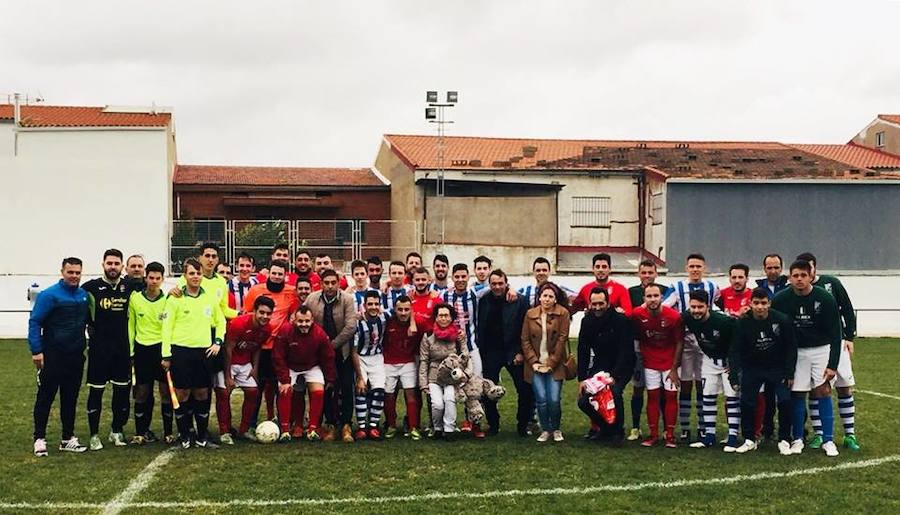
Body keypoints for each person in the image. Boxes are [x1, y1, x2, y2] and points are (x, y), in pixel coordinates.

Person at [772, 259, 842, 457]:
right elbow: (773, 326)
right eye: (796, 276)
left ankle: (828, 440)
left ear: (811, 276)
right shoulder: (781, 299)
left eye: (803, 275)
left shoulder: (825, 298)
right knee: (797, 393)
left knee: (823, 391)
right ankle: (798, 439)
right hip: (796, 353)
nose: (800, 279)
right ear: (790, 277)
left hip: (821, 350)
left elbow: (836, 334)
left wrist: (832, 364)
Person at [795, 252, 860, 451]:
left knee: (844, 385)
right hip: (815, 347)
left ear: (814, 268)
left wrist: (849, 336)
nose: (807, 272)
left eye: (810, 267)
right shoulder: (796, 290)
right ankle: (819, 434)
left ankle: (850, 434)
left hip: (837, 342)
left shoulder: (831, 284)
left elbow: (847, 309)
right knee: (818, 388)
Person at [161, 258, 226, 449]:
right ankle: (184, 436)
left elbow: (220, 322)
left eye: (198, 273)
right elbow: (166, 327)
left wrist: (218, 342)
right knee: (182, 394)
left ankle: (202, 436)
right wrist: (166, 355)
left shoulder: (209, 298)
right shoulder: (175, 298)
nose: (195, 276)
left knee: (202, 393)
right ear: (185, 276)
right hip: (180, 352)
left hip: (203, 352)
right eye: (191, 273)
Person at [28, 257, 90, 456]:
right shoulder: (49, 295)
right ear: (62, 272)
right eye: (70, 272)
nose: (74, 276)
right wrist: (36, 350)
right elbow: (35, 322)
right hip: (53, 356)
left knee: (70, 398)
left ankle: (67, 438)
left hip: (75, 356)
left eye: (77, 272)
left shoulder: (83, 295)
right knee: (45, 397)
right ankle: (39, 438)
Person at [729, 288, 797, 455]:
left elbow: (791, 347)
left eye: (763, 303)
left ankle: (784, 439)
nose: (760, 307)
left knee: (784, 401)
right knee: (747, 402)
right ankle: (749, 439)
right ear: (750, 304)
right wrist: (734, 375)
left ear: (769, 303)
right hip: (753, 367)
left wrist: (789, 372)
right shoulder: (743, 322)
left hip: (777, 367)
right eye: (756, 303)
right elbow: (735, 350)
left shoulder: (781, 320)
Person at [663, 253, 719, 442]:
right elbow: (665, 306)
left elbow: (718, 308)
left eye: (698, 266)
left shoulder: (712, 287)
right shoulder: (677, 287)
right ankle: (686, 428)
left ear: (704, 268)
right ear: (686, 268)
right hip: (686, 339)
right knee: (686, 383)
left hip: (705, 340)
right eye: (692, 266)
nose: (695, 269)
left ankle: (703, 427)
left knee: (702, 383)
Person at [81, 249, 133, 450]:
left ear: (122, 266)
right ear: (103, 264)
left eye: (116, 263)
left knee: (121, 393)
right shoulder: (90, 287)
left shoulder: (129, 287)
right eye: (109, 263)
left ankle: (116, 430)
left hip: (121, 350)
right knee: (96, 393)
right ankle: (94, 435)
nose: (113, 267)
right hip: (98, 351)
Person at [351, 291, 416, 441]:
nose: (373, 307)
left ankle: (373, 426)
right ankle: (361, 427)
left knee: (380, 390)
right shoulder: (358, 323)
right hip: (361, 357)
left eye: (376, 304)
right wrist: (360, 376)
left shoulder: (384, 316)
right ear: (364, 305)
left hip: (377, 358)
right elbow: (354, 352)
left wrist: (412, 323)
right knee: (361, 389)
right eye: (370, 304)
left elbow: (406, 308)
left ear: (380, 305)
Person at [242, 259, 298, 430]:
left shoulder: (291, 292)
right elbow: (247, 314)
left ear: (285, 276)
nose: (276, 276)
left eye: (280, 274)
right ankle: (250, 424)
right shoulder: (256, 290)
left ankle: (283, 424)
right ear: (269, 273)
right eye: (274, 273)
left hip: (279, 349)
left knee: (280, 387)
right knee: (256, 388)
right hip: (259, 347)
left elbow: (294, 314)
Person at [304, 269, 359, 442]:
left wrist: (332, 345)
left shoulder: (348, 299)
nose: (329, 286)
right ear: (321, 284)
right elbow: (304, 318)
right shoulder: (312, 299)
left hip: (342, 351)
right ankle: (330, 424)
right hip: (319, 354)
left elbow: (351, 326)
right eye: (326, 283)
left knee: (346, 387)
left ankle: (346, 425)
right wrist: (321, 346)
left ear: (338, 283)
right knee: (327, 387)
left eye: (332, 283)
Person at [682, 291, 739, 451]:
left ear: (708, 306)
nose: (696, 310)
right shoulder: (688, 317)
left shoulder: (723, 321)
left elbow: (737, 340)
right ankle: (709, 436)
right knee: (707, 396)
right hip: (709, 360)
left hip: (727, 362)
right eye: (693, 307)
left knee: (732, 397)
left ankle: (733, 437)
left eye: (700, 307)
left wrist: (734, 363)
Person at [213, 296, 274, 444]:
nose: (264, 316)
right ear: (254, 311)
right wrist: (228, 376)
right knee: (223, 393)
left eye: (268, 313)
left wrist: (255, 368)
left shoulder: (267, 328)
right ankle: (225, 431)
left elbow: (258, 347)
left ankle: (244, 430)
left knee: (253, 392)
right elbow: (228, 349)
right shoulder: (238, 323)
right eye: (261, 312)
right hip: (227, 362)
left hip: (245, 362)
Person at [576, 287, 634, 445]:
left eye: (601, 303)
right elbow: (583, 350)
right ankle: (605, 428)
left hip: (622, 365)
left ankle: (618, 432)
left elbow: (626, 351)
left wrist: (615, 376)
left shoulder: (621, 321)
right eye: (594, 304)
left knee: (614, 393)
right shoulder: (586, 321)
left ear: (608, 303)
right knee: (583, 400)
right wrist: (582, 378)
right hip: (600, 365)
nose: (597, 307)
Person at [477, 269, 531, 437]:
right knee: (488, 391)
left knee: (524, 389)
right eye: (494, 284)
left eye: (501, 283)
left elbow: (526, 328)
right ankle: (493, 424)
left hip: (513, 351)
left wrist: (521, 352)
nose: (497, 287)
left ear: (506, 283)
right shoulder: (484, 300)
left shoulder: (519, 300)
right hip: (490, 352)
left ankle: (523, 425)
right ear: (489, 284)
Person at [272, 305, 337, 441]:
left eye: (307, 321)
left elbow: (328, 357)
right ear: (294, 320)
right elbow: (278, 357)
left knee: (318, 391)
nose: (304, 324)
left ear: (312, 320)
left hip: (311, 366)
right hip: (291, 366)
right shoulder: (285, 331)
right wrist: (284, 380)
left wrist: (330, 378)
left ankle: (312, 429)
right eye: (300, 321)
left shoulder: (319, 334)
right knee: (285, 390)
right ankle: (285, 430)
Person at [631, 283, 683, 448]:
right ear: (644, 299)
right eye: (649, 296)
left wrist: (674, 368)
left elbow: (680, 342)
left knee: (671, 396)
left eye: (655, 296)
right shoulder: (637, 315)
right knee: (652, 396)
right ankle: (653, 434)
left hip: (670, 362)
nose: (652, 300)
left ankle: (670, 435)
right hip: (650, 362)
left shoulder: (674, 317)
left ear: (661, 297)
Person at [128, 261, 174, 445]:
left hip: (162, 351)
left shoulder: (169, 300)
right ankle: (140, 432)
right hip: (142, 351)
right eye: (151, 277)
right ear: (146, 278)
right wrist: (131, 353)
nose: (154, 281)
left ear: (163, 280)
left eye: (158, 278)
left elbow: (170, 328)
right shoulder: (135, 298)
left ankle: (169, 432)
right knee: (142, 392)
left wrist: (167, 354)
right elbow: (131, 327)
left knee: (165, 392)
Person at [521, 282, 571, 443]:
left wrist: (551, 363)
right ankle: (545, 429)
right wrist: (533, 362)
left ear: (555, 299)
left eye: (550, 296)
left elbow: (562, 339)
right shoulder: (530, 314)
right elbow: (525, 340)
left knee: (554, 399)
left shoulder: (563, 314)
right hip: (534, 365)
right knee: (541, 399)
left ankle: (556, 428)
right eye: (544, 296)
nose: (547, 299)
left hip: (554, 365)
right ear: (539, 297)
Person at [625, 259, 669, 441]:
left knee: (661, 389)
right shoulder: (632, 292)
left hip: (659, 347)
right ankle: (636, 427)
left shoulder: (666, 291)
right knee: (638, 387)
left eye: (650, 273)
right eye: (644, 273)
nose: (647, 276)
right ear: (638, 273)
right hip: (637, 346)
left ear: (656, 273)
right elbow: (629, 316)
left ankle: (666, 428)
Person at [419, 303, 469, 440]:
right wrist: (423, 383)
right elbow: (424, 361)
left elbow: (465, 356)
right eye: (440, 315)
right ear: (435, 318)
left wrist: (464, 375)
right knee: (437, 403)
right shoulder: (428, 336)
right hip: (434, 375)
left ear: (451, 318)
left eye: (446, 316)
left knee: (449, 398)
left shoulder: (458, 336)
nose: (443, 319)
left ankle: (449, 429)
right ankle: (437, 427)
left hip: (452, 375)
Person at [755, 253, 789, 439]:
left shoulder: (789, 287)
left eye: (776, 267)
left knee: (788, 393)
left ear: (781, 268)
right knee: (767, 393)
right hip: (763, 348)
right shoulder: (758, 289)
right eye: (769, 267)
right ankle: (767, 429)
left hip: (784, 346)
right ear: (764, 269)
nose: (773, 271)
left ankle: (793, 430)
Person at [382, 295, 423, 440]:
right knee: (388, 394)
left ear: (411, 310)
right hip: (388, 362)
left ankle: (413, 427)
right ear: (395, 310)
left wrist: (413, 321)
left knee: (411, 393)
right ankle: (391, 425)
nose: (403, 313)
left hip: (408, 362)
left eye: (407, 309)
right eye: (400, 309)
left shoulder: (416, 323)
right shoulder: (387, 321)